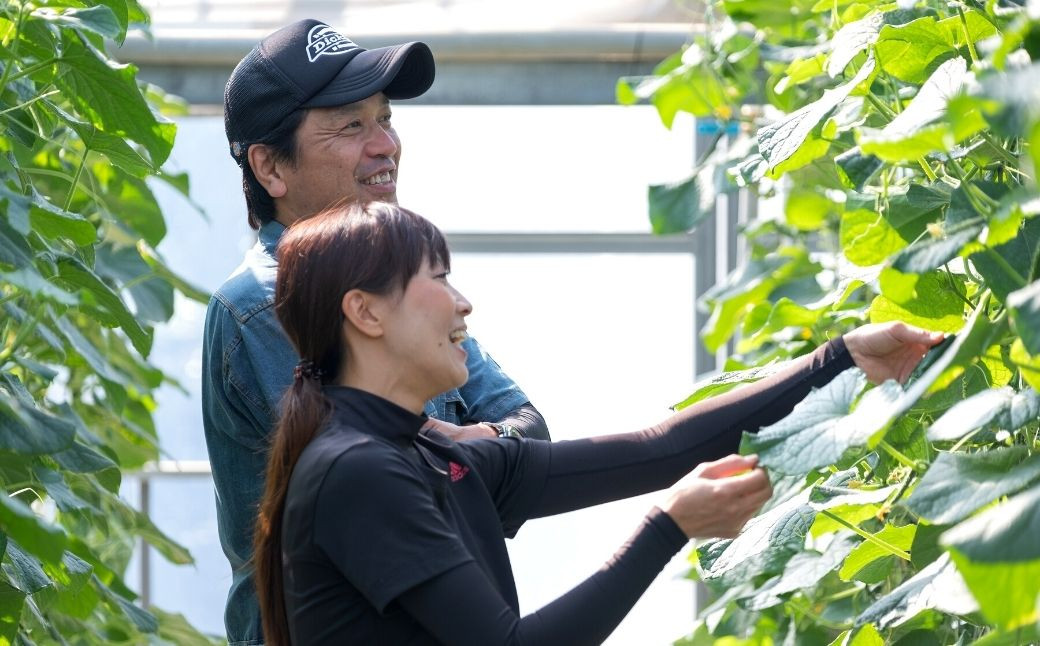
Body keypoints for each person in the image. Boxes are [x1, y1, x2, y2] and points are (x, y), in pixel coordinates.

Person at [255, 202, 945, 645]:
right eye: (438, 278)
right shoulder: (360, 471)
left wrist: (841, 359)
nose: (463, 303)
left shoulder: (427, 452)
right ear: (365, 313)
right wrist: (667, 528)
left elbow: (658, 451)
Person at [203, 19, 547, 644]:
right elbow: (403, 490)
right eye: (350, 126)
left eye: (385, 118)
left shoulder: (390, 280)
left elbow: (531, 432)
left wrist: (483, 445)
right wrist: (485, 449)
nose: (386, 144)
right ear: (270, 168)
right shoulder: (268, 303)